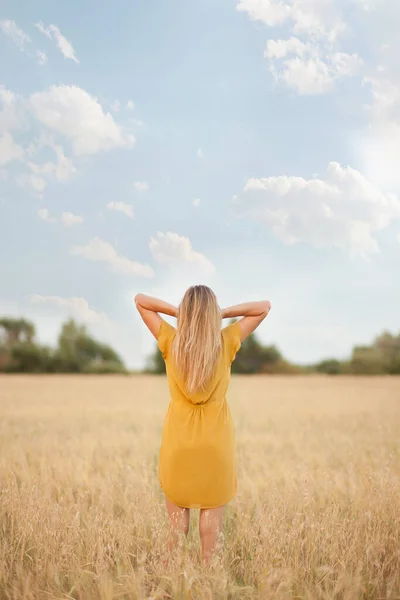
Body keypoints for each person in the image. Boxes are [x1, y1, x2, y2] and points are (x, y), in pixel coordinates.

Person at [134, 285, 271, 565]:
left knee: (175, 530)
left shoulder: (170, 341)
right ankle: (209, 587)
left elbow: (140, 301)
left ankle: (169, 589)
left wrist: (182, 315)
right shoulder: (226, 341)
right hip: (215, 444)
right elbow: (264, 307)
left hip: (178, 442)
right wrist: (219, 315)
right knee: (211, 531)